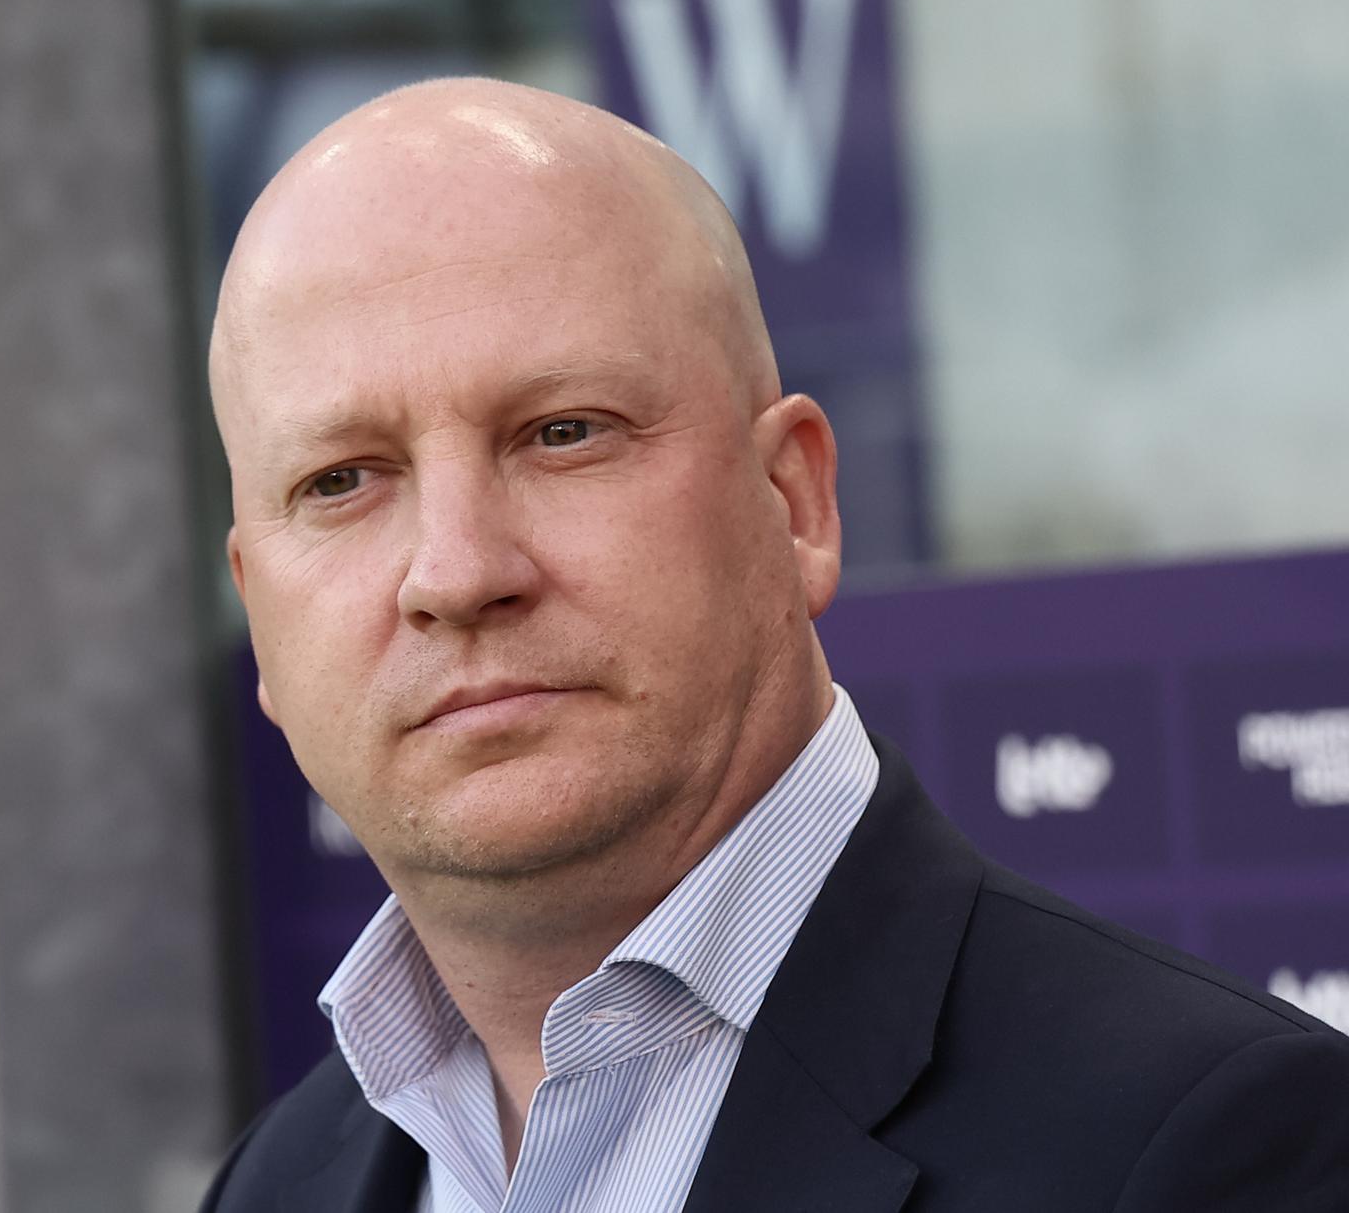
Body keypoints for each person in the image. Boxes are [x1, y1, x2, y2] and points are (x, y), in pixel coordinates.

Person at [200, 77, 1349, 1212]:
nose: (455, 572)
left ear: (795, 502)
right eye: (340, 480)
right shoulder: (274, 1184)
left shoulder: (1215, 1147)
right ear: (261, 612)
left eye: (563, 433)